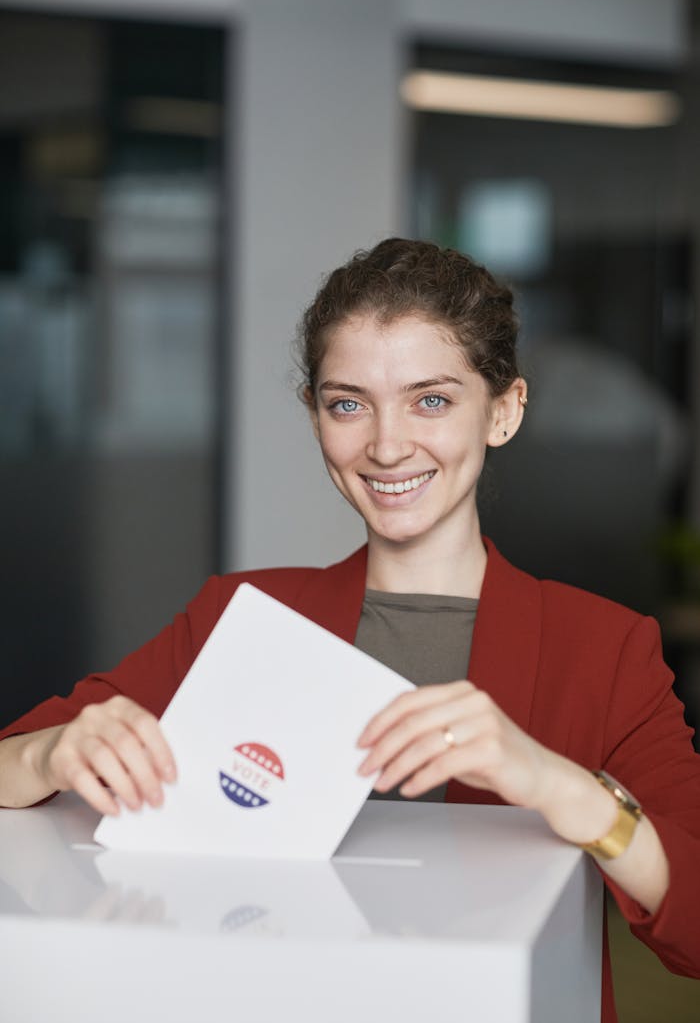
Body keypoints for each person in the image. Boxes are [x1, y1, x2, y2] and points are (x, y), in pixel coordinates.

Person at [1, 238, 698, 1021]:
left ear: (503, 411)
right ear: (316, 416)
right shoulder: (239, 619)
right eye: (348, 403)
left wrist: (559, 786)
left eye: (431, 400)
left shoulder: (605, 649)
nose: (387, 444)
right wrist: (49, 752)